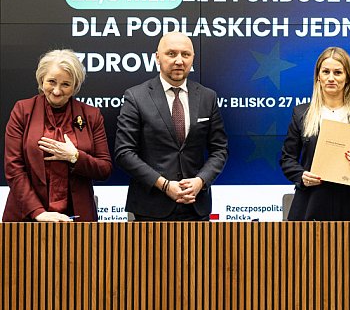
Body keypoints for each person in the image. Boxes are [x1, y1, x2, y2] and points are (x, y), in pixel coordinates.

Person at [114, 31, 228, 221]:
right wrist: (164, 185)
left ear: (193, 58)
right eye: (171, 54)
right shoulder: (136, 97)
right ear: (157, 57)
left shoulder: (208, 97)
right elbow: (124, 153)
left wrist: (200, 181)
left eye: (185, 54)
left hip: (196, 206)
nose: (179, 61)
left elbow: (220, 150)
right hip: (150, 209)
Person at [3, 49, 112, 222]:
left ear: (75, 86)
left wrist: (75, 156)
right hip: (26, 216)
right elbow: (13, 167)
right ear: (42, 80)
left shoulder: (91, 115)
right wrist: (38, 212)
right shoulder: (22, 110)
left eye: (65, 84)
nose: (57, 91)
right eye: (51, 82)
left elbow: (104, 169)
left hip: (77, 218)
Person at [280, 47, 350, 221]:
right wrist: (301, 176)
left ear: (347, 77)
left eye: (338, 72)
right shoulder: (301, 113)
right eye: (326, 72)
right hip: (309, 201)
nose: (331, 78)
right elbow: (287, 159)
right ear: (318, 76)